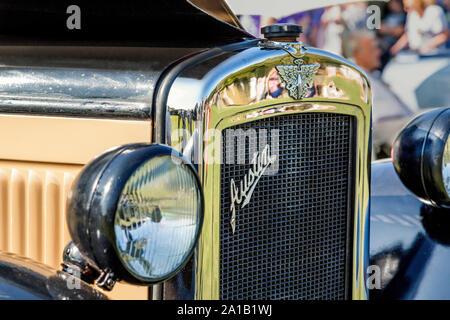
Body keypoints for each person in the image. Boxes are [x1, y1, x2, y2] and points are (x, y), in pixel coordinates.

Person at [349, 31, 414, 158]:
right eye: (373, 49)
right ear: (358, 54)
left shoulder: (375, 75)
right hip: (386, 128)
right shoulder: (356, 79)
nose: (379, 52)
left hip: (404, 121)